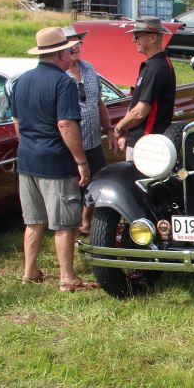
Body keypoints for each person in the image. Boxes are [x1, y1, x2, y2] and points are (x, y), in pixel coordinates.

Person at [11, 27, 97, 291]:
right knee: (65, 224)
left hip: (27, 159)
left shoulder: (21, 80)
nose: (72, 54)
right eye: (69, 50)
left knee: (33, 221)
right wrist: (81, 161)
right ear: (60, 54)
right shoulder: (64, 83)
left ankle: (30, 272)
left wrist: (30, 144)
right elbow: (65, 124)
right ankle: (68, 278)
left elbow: (17, 123)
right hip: (55, 162)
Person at [63, 26, 118, 235]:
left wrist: (109, 129)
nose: (75, 47)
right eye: (70, 43)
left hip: (93, 140)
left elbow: (99, 103)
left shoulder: (89, 68)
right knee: (72, 187)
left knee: (97, 182)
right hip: (70, 145)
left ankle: (86, 223)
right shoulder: (59, 75)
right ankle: (71, 228)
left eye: (78, 43)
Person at [113, 17, 176, 161]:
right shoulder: (154, 65)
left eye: (137, 36)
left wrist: (118, 128)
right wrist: (126, 133)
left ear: (153, 38)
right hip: (143, 142)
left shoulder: (156, 68)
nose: (134, 40)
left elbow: (140, 111)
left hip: (146, 145)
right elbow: (135, 104)